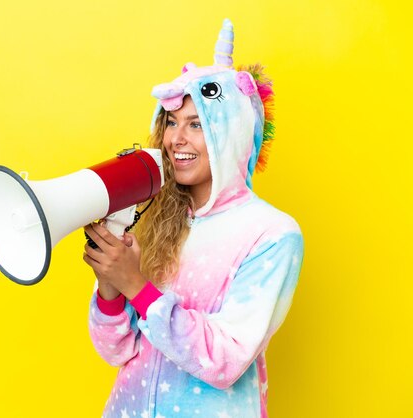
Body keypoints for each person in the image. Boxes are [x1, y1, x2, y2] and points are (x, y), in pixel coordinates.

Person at [83, 19, 303, 418]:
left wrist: (135, 283)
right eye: (171, 122)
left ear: (231, 133)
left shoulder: (272, 234)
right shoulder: (159, 219)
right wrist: (110, 284)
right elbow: (116, 350)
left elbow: (224, 360)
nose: (175, 139)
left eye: (197, 124)